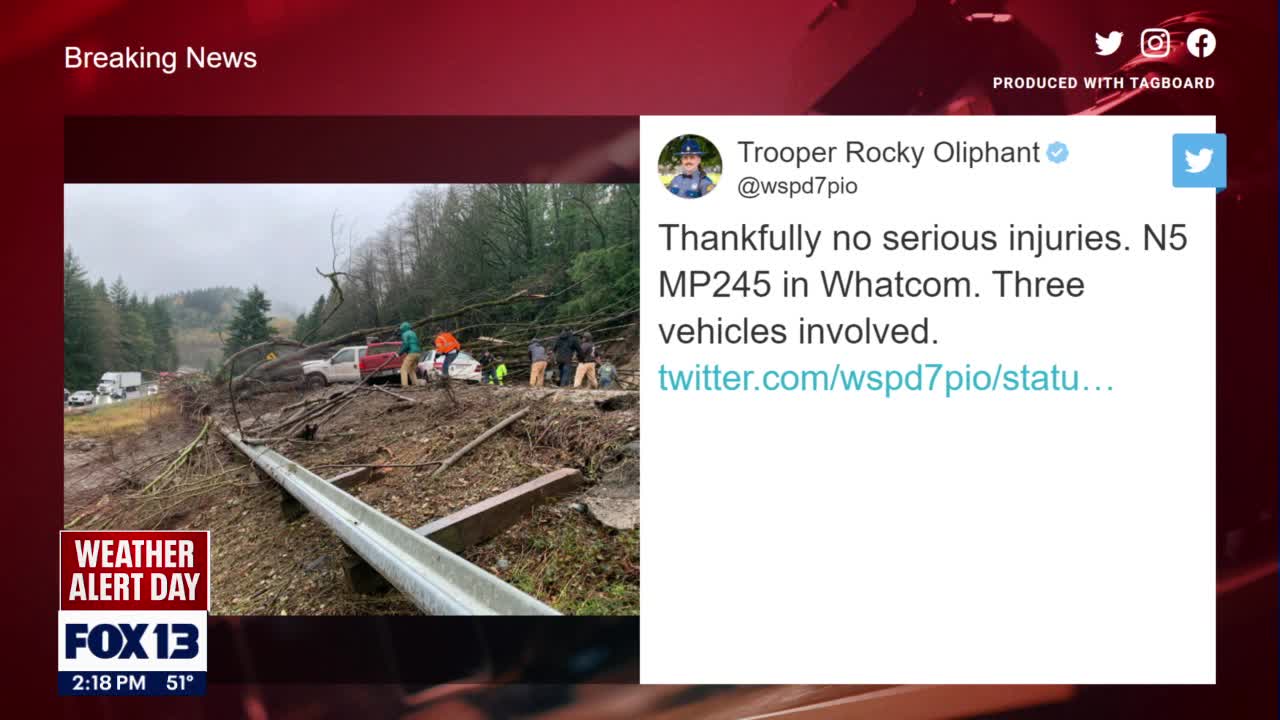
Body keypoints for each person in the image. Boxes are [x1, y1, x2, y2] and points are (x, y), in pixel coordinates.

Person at [396, 321, 421, 387]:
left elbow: (406, 345)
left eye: (401, 329)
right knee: (411, 369)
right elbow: (416, 343)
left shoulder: (405, 334)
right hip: (418, 353)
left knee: (403, 369)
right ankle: (416, 384)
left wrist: (399, 354)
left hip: (412, 353)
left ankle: (405, 385)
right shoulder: (413, 333)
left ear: (403, 328)